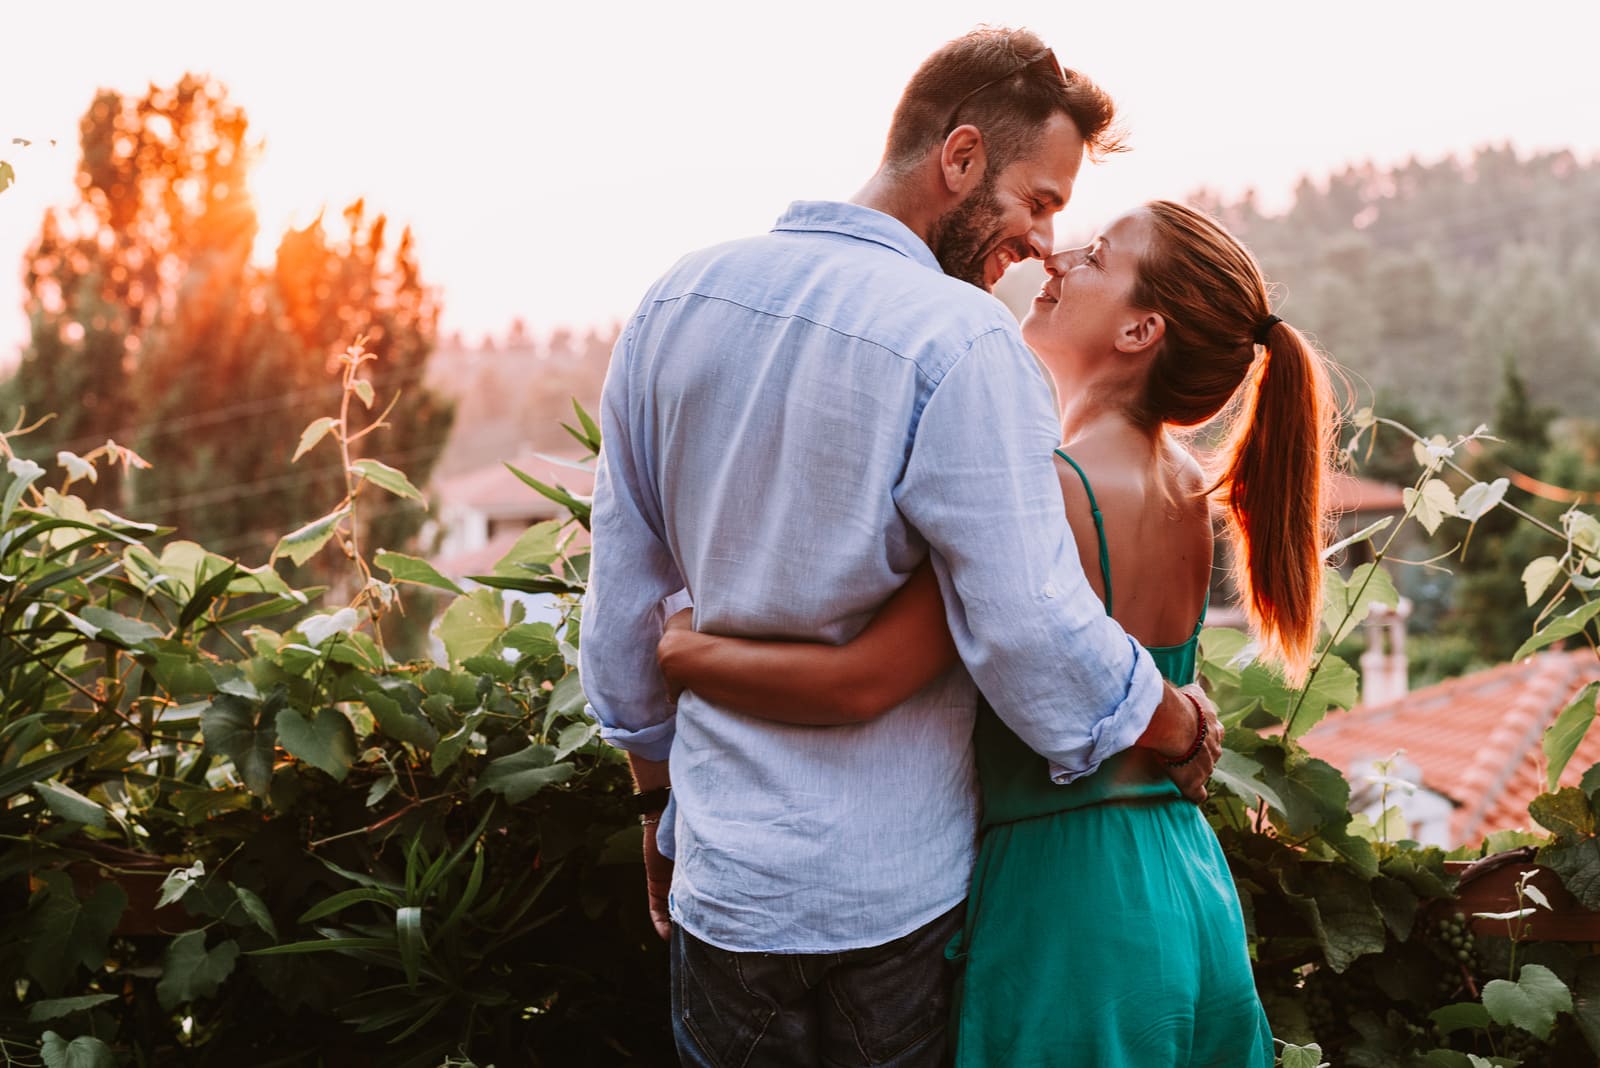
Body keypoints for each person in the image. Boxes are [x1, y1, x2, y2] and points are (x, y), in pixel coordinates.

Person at [580, 27, 1221, 1067]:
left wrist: (656, 807)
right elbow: (1028, 627)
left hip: (726, 884)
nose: (1042, 243)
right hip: (894, 899)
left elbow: (622, 604)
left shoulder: (674, 301)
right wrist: (1176, 722)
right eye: (1040, 202)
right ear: (960, 159)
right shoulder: (962, 345)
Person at [658, 200, 1338, 1064]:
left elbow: (860, 679)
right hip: (1183, 880)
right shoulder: (1178, 484)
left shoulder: (1046, 490)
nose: (1054, 263)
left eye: (1095, 258)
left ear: (1141, 330)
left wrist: (682, 649)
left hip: (1070, 903)